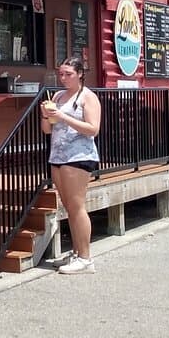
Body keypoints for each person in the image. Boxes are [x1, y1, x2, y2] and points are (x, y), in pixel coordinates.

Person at [41, 57, 102, 275]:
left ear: (80, 74)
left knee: (77, 206)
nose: (64, 78)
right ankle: (77, 252)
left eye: (69, 74)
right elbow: (48, 130)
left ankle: (86, 258)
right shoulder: (57, 96)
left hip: (78, 155)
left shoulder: (88, 97)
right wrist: (47, 116)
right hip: (57, 155)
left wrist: (64, 117)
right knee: (68, 206)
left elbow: (93, 129)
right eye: (61, 74)